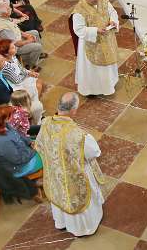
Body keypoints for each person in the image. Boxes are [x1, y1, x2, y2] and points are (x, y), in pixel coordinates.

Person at [36, 92, 104, 236]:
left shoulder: (46, 122)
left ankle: (62, 222)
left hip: (55, 174)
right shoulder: (77, 135)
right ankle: (84, 228)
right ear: (73, 110)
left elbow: (40, 146)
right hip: (74, 177)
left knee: (60, 195)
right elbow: (94, 152)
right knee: (78, 195)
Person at [70, 0, 119, 97]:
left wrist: (112, 21)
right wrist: (95, 30)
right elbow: (78, 29)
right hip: (91, 43)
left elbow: (113, 12)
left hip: (106, 39)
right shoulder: (79, 10)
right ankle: (91, 90)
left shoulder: (104, 1)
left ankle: (109, 84)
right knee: (93, 70)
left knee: (107, 66)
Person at [0, 39, 44, 125]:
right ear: (6, 53)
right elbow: (16, 80)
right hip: (16, 87)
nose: (15, 48)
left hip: (21, 79)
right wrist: (27, 75)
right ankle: (31, 110)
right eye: (13, 48)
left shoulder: (13, 57)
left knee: (39, 82)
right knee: (38, 86)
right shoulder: (5, 67)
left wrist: (30, 73)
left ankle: (33, 106)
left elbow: (21, 69)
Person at [0, 105, 42, 178]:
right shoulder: (3, 142)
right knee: (47, 155)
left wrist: (30, 142)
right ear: (1, 120)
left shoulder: (3, 125)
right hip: (19, 167)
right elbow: (17, 159)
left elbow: (18, 134)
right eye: (8, 116)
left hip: (22, 151)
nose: (11, 117)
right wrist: (35, 151)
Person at [0, 2, 45, 68]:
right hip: (12, 48)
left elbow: (14, 26)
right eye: (8, 9)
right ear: (4, 14)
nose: (11, 9)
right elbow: (17, 44)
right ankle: (31, 65)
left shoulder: (1, 18)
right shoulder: (3, 30)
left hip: (15, 38)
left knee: (35, 32)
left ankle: (37, 54)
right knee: (38, 47)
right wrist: (29, 40)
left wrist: (25, 34)